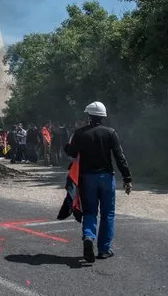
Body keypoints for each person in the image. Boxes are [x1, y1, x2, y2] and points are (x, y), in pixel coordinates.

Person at [67, 101, 132, 263]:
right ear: (103, 116)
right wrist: (127, 178)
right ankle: (104, 250)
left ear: (88, 115)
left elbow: (72, 153)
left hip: (87, 178)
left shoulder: (80, 133)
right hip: (106, 178)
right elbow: (119, 156)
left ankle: (89, 236)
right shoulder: (110, 133)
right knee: (107, 214)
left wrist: (67, 146)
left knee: (89, 211)